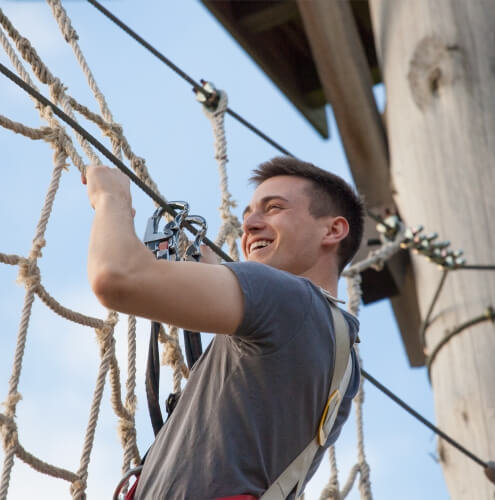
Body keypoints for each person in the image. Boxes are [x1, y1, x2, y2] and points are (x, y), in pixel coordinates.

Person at [85, 156, 364, 500]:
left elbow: (115, 277)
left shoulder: (284, 296)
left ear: (333, 230)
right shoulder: (344, 362)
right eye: (247, 215)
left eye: (273, 208)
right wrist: (216, 280)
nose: (249, 225)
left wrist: (112, 198)